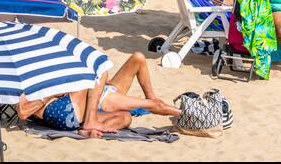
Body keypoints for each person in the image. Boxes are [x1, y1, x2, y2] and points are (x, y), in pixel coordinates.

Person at [17, 52, 180, 137]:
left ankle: (89, 127)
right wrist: (50, 94)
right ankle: (185, 112)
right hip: (93, 101)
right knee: (100, 72)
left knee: (138, 58)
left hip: (96, 94)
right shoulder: (24, 82)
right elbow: (24, 112)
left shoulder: (38, 73)